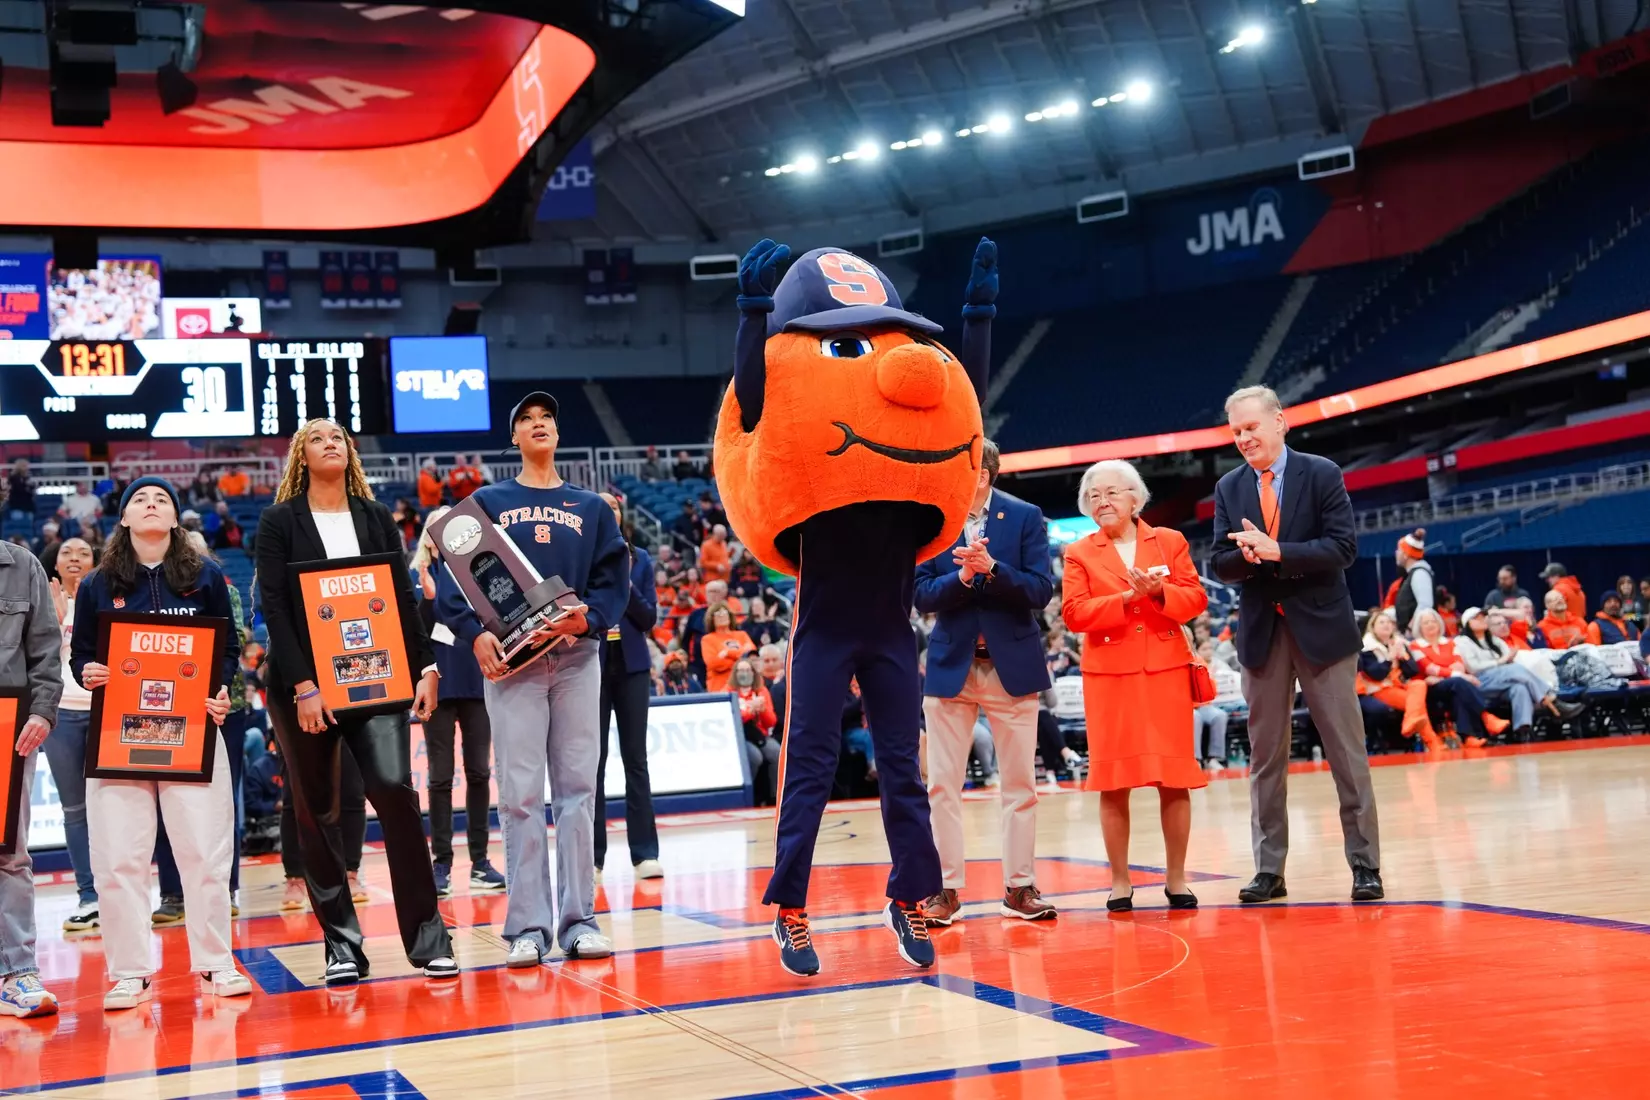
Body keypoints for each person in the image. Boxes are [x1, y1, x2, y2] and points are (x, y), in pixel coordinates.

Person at [256, 420, 456, 986]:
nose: (330, 444)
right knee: (316, 812)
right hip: (307, 687)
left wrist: (426, 666)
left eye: (338, 437)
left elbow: (400, 597)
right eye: (318, 438)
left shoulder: (374, 517)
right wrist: (303, 686)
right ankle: (342, 946)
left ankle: (428, 939)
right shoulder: (278, 521)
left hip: (376, 676)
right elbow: (275, 608)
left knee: (394, 789)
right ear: (302, 454)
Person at [436, 392, 628, 968]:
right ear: (514, 438)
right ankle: (526, 927)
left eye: (548, 418)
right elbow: (453, 580)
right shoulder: (486, 503)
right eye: (527, 420)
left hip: (575, 657)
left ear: (557, 433)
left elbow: (611, 581)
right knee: (519, 796)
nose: (539, 425)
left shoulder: (591, 506)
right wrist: (474, 633)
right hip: (514, 666)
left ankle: (579, 920)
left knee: (577, 792)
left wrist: (590, 617)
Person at [71, 477, 251, 1009]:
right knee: (118, 858)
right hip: (116, 738)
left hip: (192, 733)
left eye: (162, 500)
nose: (151, 504)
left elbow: (226, 649)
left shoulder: (208, 576)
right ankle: (128, 971)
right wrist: (91, 673)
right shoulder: (98, 584)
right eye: (140, 500)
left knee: (205, 852)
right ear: (123, 518)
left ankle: (217, 963)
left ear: (175, 519)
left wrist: (219, 692)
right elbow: (82, 654)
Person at [1211, 385, 1382, 904]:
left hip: (1323, 630)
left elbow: (1343, 548)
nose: (1243, 438)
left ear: (1279, 422)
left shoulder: (1322, 472)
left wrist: (1276, 550)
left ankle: (1365, 865)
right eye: (1236, 431)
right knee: (1265, 758)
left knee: (1346, 752)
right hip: (1264, 631)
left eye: (1251, 428)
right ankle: (1269, 870)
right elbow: (1219, 562)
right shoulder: (1228, 487)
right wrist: (1246, 555)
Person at [915, 438, 1056, 925]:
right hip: (952, 666)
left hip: (1010, 666)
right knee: (942, 787)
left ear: (985, 472)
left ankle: (1019, 887)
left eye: (967, 466)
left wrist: (993, 570)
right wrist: (965, 579)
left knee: (1020, 786)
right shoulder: (934, 519)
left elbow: (1040, 591)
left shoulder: (1025, 515)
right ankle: (946, 889)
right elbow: (922, 597)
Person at [1062, 459, 1207, 911]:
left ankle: (1177, 878)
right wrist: (1127, 598)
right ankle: (1120, 881)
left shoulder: (1170, 541)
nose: (1103, 501)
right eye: (1094, 495)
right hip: (1109, 675)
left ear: (1135, 498)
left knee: (1175, 779)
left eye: (1112, 492)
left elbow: (1195, 599)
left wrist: (1159, 593)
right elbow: (1073, 614)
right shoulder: (1079, 552)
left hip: (1164, 669)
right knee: (1113, 781)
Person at [151, 532, 256, 924]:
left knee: (221, 805)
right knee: (166, 801)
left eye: (195, 549)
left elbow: (234, 639)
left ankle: (225, 888)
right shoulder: (151, 590)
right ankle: (173, 894)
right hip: (170, 705)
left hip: (225, 705)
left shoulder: (219, 587)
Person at [411, 510, 505, 899]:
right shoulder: (415, 576)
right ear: (429, 538)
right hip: (438, 683)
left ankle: (481, 861)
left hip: (477, 679)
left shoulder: (477, 571)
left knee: (480, 772)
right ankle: (442, 863)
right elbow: (413, 632)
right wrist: (427, 598)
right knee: (440, 776)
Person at [0, 488, 63, 1020]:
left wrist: (42, 713)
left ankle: (17, 973)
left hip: (9, 731)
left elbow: (46, 647)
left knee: (9, 853)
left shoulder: (23, 567)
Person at [594, 492, 662, 881]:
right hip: (594, 667)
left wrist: (625, 579)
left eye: (614, 508)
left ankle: (645, 853)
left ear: (622, 516)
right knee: (594, 765)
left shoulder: (643, 560)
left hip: (633, 667)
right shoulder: (583, 560)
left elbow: (648, 617)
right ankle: (593, 858)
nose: (609, 513)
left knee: (636, 761)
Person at [39, 537, 100, 932]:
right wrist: (55, 620)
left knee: (114, 809)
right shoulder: (42, 600)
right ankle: (88, 896)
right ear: (55, 564)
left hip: (105, 713)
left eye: (83, 553)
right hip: (60, 715)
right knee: (75, 811)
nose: (75, 558)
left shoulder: (107, 597)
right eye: (67, 552)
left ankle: (116, 893)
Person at [1457, 608, 1582, 737]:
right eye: (1476, 618)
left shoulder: (1495, 641)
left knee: (1519, 688)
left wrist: (1505, 661)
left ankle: (1523, 731)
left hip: (1503, 680)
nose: (1481, 620)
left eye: (1482, 617)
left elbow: (1509, 659)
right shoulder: (1462, 642)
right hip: (1479, 682)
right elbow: (1474, 667)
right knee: (1516, 669)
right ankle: (1551, 699)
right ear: (1467, 623)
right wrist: (1501, 661)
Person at [1410, 609, 1507, 748]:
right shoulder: (1415, 645)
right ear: (1419, 627)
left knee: (1459, 692)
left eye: (1433, 621)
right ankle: (1486, 716)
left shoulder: (1450, 643)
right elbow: (1429, 668)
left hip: (1450, 684)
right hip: (1430, 689)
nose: (1430, 624)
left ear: (1439, 623)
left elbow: (1459, 666)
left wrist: (1446, 674)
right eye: (1426, 622)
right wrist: (1454, 673)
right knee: (1460, 682)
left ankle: (1469, 737)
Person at [1357, 609, 1445, 751]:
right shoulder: (1367, 648)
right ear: (1373, 627)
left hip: (1399, 685)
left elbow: (1413, 671)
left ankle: (1411, 723)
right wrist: (1390, 658)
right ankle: (1432, 742)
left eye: (1389, 622)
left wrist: (1403, 656)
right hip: (1380, 689)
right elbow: (1376, 674)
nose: (1386, 625)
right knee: (1416, 704)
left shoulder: (1400, 643)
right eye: (1381, 622)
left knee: (1419, 684)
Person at [732, 658, 781, 804]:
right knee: (755, 757)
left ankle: (774, 797)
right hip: (740, 738)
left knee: (776, 752)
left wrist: (762, 709)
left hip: (760, 735)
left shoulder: (762, 690)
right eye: (741, 670)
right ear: (735, 673)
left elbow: (771, 721)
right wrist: (750, 711)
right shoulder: (729, 691)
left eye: (748, 670)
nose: (745, 674)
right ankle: (748, 796)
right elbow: (733, 719)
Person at [701, 602, 756, 692]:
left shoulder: (742, 635)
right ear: (711, 619)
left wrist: (727, 653)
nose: (722, 616)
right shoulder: (707, 639)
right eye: (718, 614)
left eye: (725, 613)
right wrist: (740, 660)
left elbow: (751, 656)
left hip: (745, 686)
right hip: (720, 687)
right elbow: (713, 663)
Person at [1391, 530, 1433, 632]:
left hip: (1416, 635)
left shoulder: (1419, 574)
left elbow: (1425, 605)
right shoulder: (1412, 574)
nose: (1396, 552)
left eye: (1399, 550)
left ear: (1406, 554)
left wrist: (1411, 629)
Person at [6, 458, 35, 523]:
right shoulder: (13, 477)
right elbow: (17, 489)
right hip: (17, 505)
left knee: (29, 523)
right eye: (24, 466)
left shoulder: (28, 477)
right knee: (18, 523)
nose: (26, 468)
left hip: (28, 505)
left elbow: (32, 489)